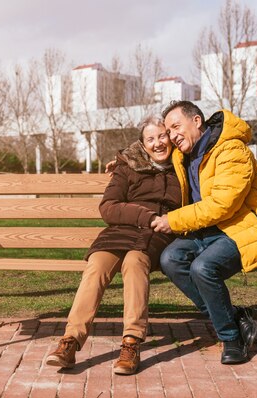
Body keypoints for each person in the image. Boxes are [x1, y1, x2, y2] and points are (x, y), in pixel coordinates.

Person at [150, 100, 257, 364]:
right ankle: (234, 316)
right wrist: (121, 160)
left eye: (175, 127)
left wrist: (174, 220)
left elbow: (222, 205)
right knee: (170, 259)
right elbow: (149, 149)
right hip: (206, 231)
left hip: (242, 229)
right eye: (168, 131)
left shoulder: (232, 150)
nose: (171, 136)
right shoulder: (183, 154)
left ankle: (230, 338)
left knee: (202, 268)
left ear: (196, 121)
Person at [46, 116, 181, 375]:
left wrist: (160, 221)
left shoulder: (182, 166)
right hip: (121, 230)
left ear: (170, 137)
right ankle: (70, 342)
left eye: (162, 136)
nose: (158, 143)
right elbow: (108, 207)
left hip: (156, 234)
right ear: (142, 144)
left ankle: (131, 342)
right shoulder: (127, 166)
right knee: (96, 264)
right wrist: (146, 216)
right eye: (150, 139)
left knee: (135, 262)